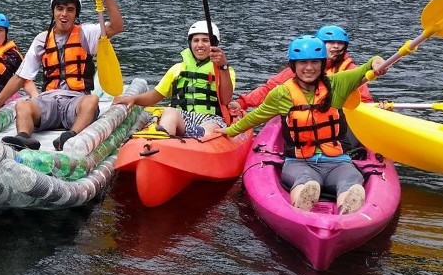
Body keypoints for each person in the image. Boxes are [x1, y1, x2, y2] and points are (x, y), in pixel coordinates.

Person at [203, 35, 386, 215]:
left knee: (351, 179)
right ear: (293, 66)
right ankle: (302, 203)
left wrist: (377, 63)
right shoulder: (281, 93)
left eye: (315, 62)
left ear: (323, 64)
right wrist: (230, 130)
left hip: (337, 162)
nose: (309, 68)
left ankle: (346, 211)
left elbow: (369, 65)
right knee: (306, 181)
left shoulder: (339, 83)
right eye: (302, 63)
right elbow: (256, 116)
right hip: (299, 162)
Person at [0, 0, 124, 151]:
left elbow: (117, 26)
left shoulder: (87, 33)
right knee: (22, 104)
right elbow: (20, 77)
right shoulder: (42, 39)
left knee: (92, 100)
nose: (64, 14)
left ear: (76, 14)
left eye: (70, 9)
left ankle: (70, 137)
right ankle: (23, 137)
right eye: (59, 8)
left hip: (76, 100)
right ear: (53, 11)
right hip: (48, 100)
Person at [113, 21, 234, 138]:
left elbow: (225, 99)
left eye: (206, 41)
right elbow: (156, 96)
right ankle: (164, 138)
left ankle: (197, 137)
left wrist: (223, 67)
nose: (200, 45)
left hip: (210, 118)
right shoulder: (177, 69)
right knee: (170, 111)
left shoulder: (225, 71)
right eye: (195, 40)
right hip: (182, 116)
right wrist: (133, 99)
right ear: (190, 43)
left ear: (214, 45)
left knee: (210, 127)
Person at [230, 23, 372, 117]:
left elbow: (365, 102)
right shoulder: (301, 69)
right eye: (330, 42)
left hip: (340, 119)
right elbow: (269, 89)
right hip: (303, 117)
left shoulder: (350, 71)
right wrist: (243, 102)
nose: (335, 46)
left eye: (340, 43)